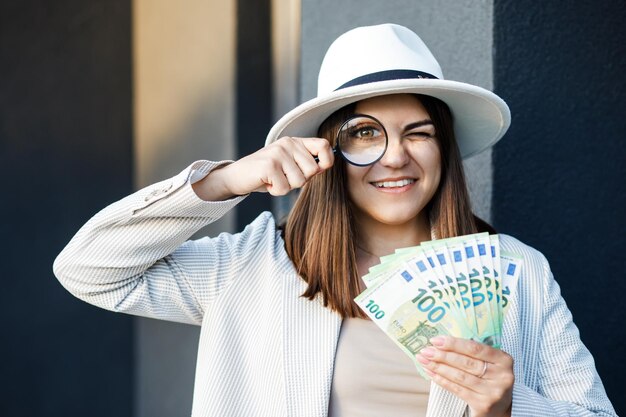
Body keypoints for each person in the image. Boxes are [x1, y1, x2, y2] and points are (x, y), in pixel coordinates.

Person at [53, 24, 616, 417]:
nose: (396, 156)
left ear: (443, 149)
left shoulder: (515, 271)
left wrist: (509, 408)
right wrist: (225, 180)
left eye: (418, 133)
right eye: (366, 133)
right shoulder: (253, 267)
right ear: (325, 151)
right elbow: (89, 269)